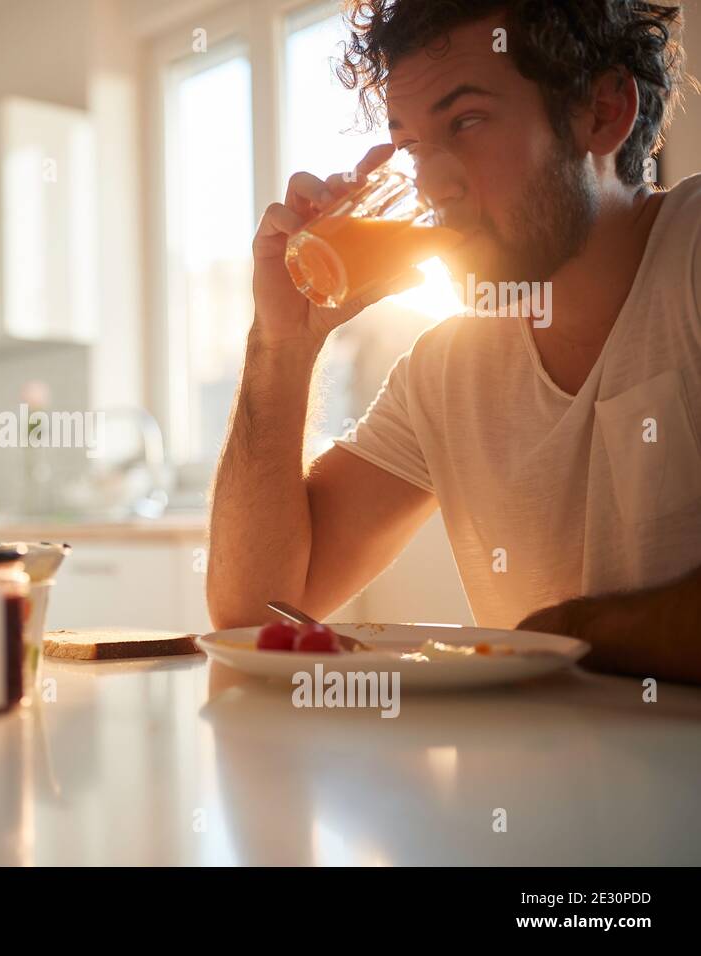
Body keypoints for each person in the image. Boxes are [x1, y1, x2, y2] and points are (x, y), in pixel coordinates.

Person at [208, 1, 701, 682]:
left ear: (604, 110)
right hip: (533, 787)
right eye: (411, 147)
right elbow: (253, 612)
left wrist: (565, 634)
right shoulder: (447, 368)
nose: (434, 184)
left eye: (466, 122)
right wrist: (281, 347)